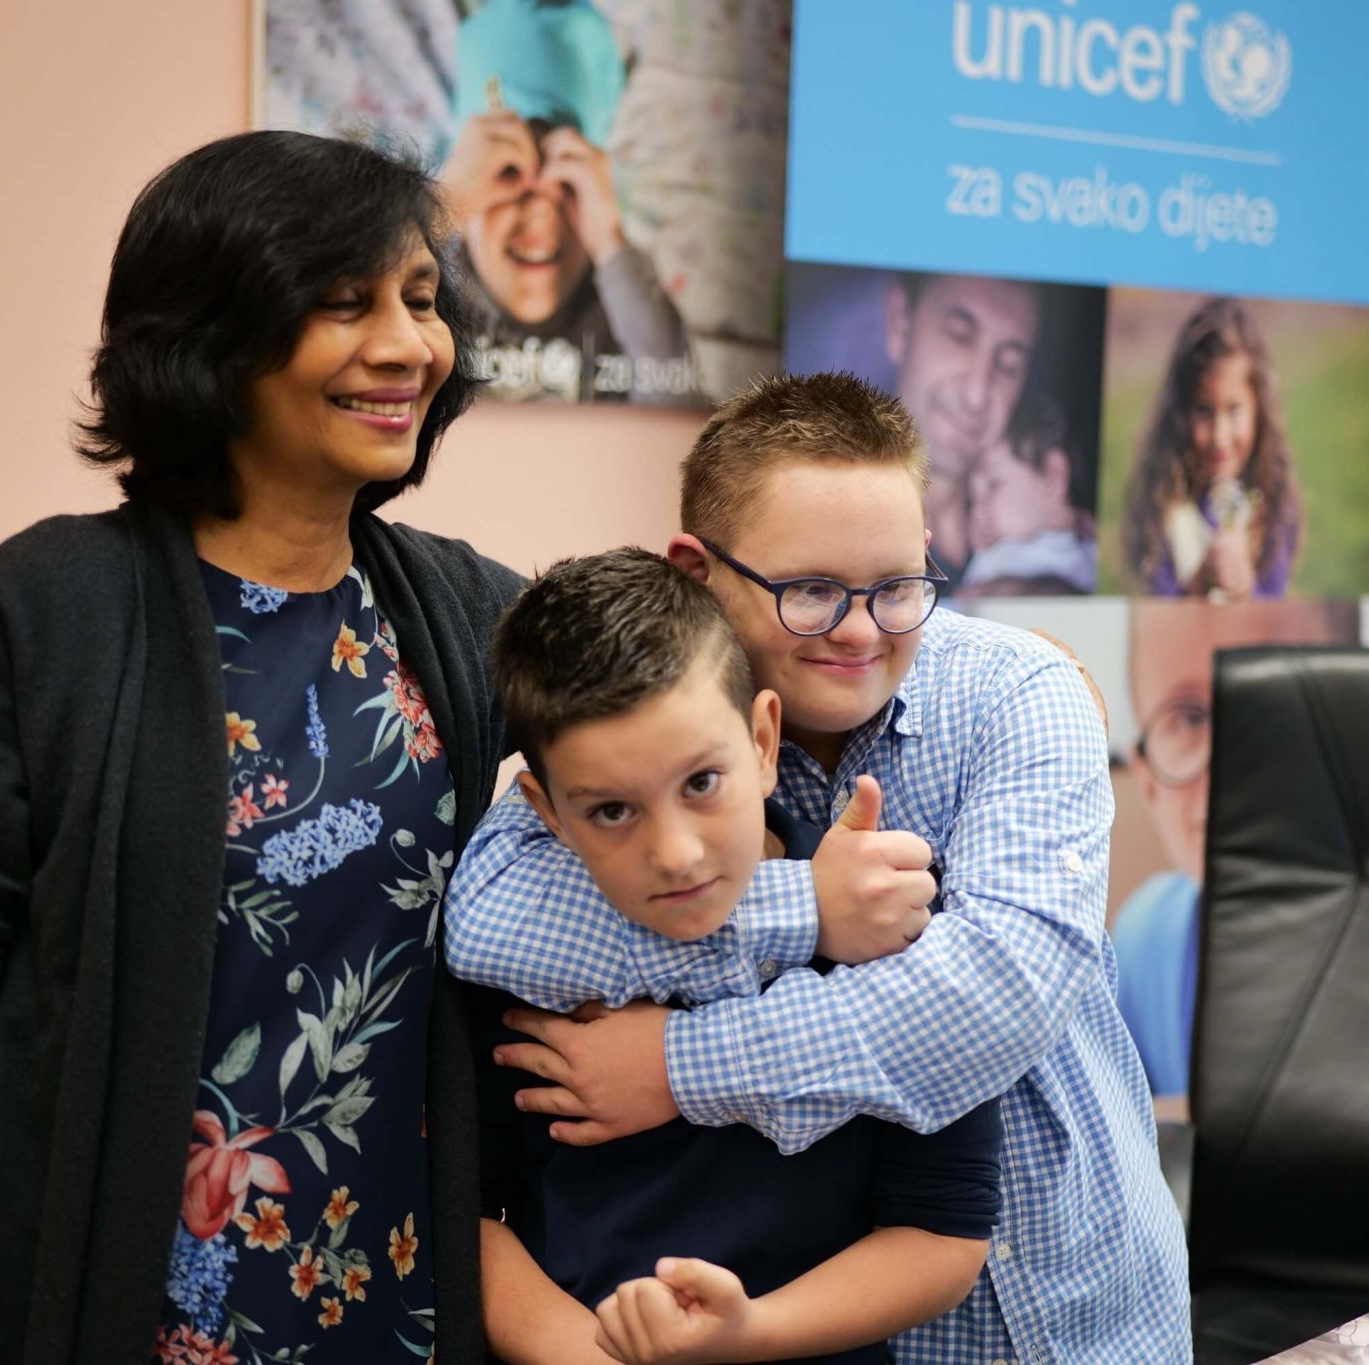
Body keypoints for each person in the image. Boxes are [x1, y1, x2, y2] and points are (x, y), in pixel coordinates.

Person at [0, 131, 523, 1365]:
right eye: (341, 302)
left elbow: (691, 728)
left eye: (419, 300)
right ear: (213, 334)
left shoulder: (467, 616)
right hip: (95, 1314)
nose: (406, 344)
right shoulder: (49, 608)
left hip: (390, 1312)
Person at [446, 371, 1192, 1362]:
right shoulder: (655, 722)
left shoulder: (1020, 698)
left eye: (896, 587)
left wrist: (674, 1066)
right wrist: (808, 906)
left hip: (1070, 1307)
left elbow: (998, 989)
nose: (858, 630)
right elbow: (494, 913)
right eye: (809, 591)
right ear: (696, 569)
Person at [475, 547, 1001, 1364]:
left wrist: (747, 1333)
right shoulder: (522, 967)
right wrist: (586, 1352)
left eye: (700, 783)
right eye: (611, 810)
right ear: (547, 813)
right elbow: (466, 1209)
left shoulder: (889, 920)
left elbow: (942, 1234)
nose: (676, 854)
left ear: (762, 740)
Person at [1111, 599, 1357, 1107]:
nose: (1230, 767)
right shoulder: (1142, 942)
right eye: (1188, 718)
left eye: (1274, 705)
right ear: (1148, 781)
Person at [436, 0, 696, 405]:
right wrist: (441, 205)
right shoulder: (426, 287)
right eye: (508, 173)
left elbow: (679, 418)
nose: (540, 209)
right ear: (466, 213)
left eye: (568, 183)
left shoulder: (626, 308)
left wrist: (611, 242)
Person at [1123, 296, 1303, 600]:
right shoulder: (1161, 504)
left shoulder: (1275, 509)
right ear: (1181, 413)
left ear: (1259, 410)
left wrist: (1247, 590)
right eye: (1204, 412)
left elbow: (1274, 609)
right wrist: (1197, 584)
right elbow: (1152, 612)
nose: (1220, 437)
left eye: (1234, 410)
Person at [884, 272, 1042, 576]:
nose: (976, 396)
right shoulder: (827, 528)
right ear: (899, 321)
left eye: (1009, 365)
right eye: (959, 336)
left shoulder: (1040, 540)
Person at [958, 397, 1099, 597]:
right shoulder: (993, 561)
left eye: (993, 486)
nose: (976, 514)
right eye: (972, 501)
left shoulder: (1096, 555)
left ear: (1052, 475)